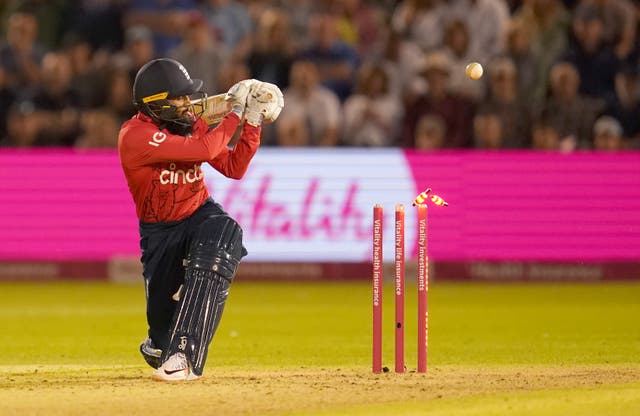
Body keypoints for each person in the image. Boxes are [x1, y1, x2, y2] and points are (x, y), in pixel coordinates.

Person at [117, 58, 282, 381]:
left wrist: (251, 120)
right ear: (156, 103)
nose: (187, 104)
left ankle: (184, 356)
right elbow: (205, 150)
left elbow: (234, 167)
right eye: (178, 98)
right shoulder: (135, 135)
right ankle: (162, 344)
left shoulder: (191, 122)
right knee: (162, 330)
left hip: (199, 213)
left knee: (225, 233)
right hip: (160, 233)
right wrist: (234, 112)